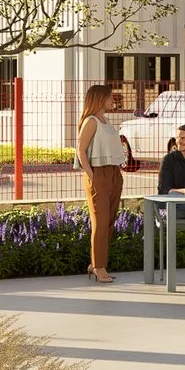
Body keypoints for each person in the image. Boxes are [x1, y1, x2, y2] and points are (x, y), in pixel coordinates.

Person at [75, 84, 130, 283]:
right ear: (99, 99)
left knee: (109, 222)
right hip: (98, 174)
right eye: (109, 97)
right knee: (100, 223)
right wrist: (92, 176)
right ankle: (100, 267)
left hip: (114, 173)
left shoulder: (105, 120)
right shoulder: (91, 122)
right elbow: (81, 151)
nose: (112, 100)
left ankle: (94, 263)